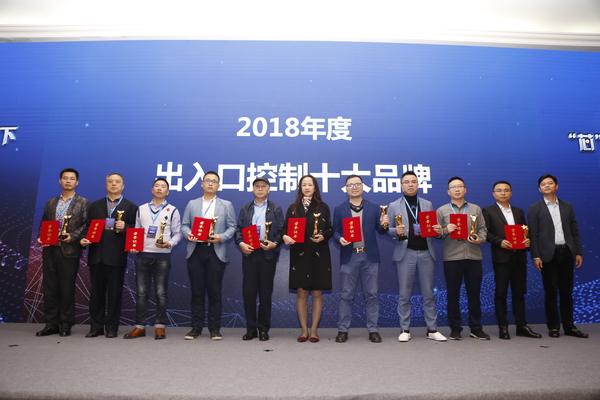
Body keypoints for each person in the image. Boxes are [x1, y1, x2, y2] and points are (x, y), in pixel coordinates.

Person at [388, 171, 447, 342]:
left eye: (413, 181)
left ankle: (432, 329)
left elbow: (435, 229)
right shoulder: (394, 205)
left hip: (426, 253)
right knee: (404, 294)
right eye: (406, 182)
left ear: (418, 184)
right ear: (401, 185)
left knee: (428, 293)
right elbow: (387, 229)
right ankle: (405, 329)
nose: (410, 185)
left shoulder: (427, 204)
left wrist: (438, 231)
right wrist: (395, 231)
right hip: (405, 253)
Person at [528, 174, 587, 338]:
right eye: (543, 184)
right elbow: (534, 235)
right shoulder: (534, 208)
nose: (547, 186)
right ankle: (553, 327)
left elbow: (574, 231)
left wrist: (578, 252)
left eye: (550, 183)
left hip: (567, 251)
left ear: (556, 186)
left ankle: (569, 326)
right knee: (551, 292)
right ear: (539, 189)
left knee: (567, 292)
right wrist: (535, 256)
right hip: (547, 254)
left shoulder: (567, 206)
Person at [123, 178, 182, 340]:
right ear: (152, 190)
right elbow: (136, 230)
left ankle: (160, 327)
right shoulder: (141, 209)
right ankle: (139, 327)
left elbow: (178, 233)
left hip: (162, 256)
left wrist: (169, 243)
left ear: (167, 192)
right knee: (141, 293)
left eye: (163, 187)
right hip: (142, 255)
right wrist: (133, 245)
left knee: (161, 293)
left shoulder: (172, 210)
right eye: (157, 186)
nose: (159, 188)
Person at [80, 173, 137, 338]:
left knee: (115, 294)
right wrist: (83, 238)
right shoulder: (95, 205)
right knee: (96, 294)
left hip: (117, 257)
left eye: (117, 182)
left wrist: (125, 227)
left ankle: (112, 328)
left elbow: (136, 231)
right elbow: (87, 227)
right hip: (96, 255)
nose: (114, 184)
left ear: (123, 186)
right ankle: (96, 327)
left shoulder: (131, 207)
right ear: (106, 185)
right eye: (110, 181)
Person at [482, 181, 542, 340]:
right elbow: (485, 232)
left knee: (519, 293)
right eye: (499, 190)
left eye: (506, 190)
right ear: (493, 194)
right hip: (501, 258)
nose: (503, 193)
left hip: (519, 258)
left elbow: (525, 231)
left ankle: (522, 326)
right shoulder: (488, 211)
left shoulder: (518, 211)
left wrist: (527, 241)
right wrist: (499, 241)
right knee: (500, 293)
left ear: (511, 193)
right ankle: (503, 326)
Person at [181, 171, 236, 340]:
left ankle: (214, 328)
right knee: (197, 292)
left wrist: (221, 237)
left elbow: (232, 227)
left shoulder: (226, 205)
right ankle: (196, 328)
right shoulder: (192, 204)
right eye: (207, 180)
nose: (211, 183)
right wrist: (188, 234)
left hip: (215, 251)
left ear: (219, 186)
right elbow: (184, 225)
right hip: (196, 251)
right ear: (202, 184)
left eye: (214, 181)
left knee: (214, 292)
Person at [332, 175, 388, 343]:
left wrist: (384, 223)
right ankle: (343, 329)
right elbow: (335, 231)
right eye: (350, 185)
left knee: (372, 294)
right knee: (346, 295)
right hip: (349, 256)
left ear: (363, 186)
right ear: (346, 189)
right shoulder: (339, 209)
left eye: (357, 184)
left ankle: (373, 329)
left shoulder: (374, 207)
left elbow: (381, 231)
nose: (354, 187)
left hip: (369, 256)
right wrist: (339, 239)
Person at [36, 168, 90, 337]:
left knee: (66, 288)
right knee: (50, 288)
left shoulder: (83, 202)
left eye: (72, 179)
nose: (68, 181)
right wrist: (41, 237)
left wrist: (72, 236)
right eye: (65, 178)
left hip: (69, 250)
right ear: (60, 181)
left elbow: (86, 225)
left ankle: (66, 324)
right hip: (50, 250)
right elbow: (44, 222)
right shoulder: (51, 202)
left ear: (77, 182)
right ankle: (51, 324)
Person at [435, 176, 489, 340]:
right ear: (448, 192)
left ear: (465, 190)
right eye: (453, 187)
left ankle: (476, 328)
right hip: (452, 257)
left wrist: (480, 239)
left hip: (473, 256)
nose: (457, 189)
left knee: (474, 294)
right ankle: (455, 328)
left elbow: (482, 229)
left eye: (460, 186)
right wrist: (445, 230)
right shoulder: (442, 211)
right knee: (453, 294)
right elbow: (436, 233)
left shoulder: (475, 209)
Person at [281, 175, 333, 343]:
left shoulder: (323, 207)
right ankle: (304, 331)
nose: (307, 187)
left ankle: (314, 331)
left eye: (310, 184)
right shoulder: (293, 208)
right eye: (304, 185)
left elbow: (330, 229)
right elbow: (284, 228)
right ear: (300, 188)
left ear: (315, 187)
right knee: (301, 293)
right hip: (299, 254)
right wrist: (285, 237)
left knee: (317, 293)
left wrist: (323, 236)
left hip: (319, 253)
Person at [235, 177, 284, 341]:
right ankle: (251, 329)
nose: (260, 189)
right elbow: (238, 229)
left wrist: (275, 244)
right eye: (257, 186)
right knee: (248, 292)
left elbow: (282, 231)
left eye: (264, 186)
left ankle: (263, 329)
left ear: (268, 189)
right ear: (253, 189)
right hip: (249, 252)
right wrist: (241, 243)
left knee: (265, 292)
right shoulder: (246, 208)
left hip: (267, 253)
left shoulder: (276, 208)